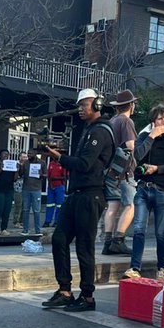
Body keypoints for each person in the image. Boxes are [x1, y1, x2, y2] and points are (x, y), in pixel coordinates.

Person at [41, 88, 116, 312]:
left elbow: (84, 164)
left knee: (84, 246)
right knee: (60, 240)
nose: (80, 109)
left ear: (97, 105)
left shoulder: (100, 131)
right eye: (80, 105)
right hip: (76, 194)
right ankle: (65, 290)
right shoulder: (89, 129)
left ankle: (87, 296)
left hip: (91, 194)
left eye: (84, 104)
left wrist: (59, 157)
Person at [124, 103, 164, 280]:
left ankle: (161, 267)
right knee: (138, 230)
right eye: (160, 118)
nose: (163, 121)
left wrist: (157, 168)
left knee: (161, 232)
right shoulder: (144, 136)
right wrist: (151, 136)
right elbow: (136, 156)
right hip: (144, 189)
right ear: (153, 121)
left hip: (162, 190)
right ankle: (135, 268)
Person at [100, 89, 137, 255]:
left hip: (109, 170)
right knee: (130, 205)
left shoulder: (112, 121)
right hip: (124, 171)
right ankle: (119, 240)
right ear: (130, 105)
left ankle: (107, 243)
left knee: (112, 206)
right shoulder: (126, 122)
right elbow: (130, 146)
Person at [20, 150, 44, 235]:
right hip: (26, 189)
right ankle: (25, 230)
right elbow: (21, 174)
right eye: (28, 154)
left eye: (30, 154)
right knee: (25, 210)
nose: (28, 155)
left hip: (36, 189)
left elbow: (46, 174)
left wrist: (41, 175)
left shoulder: (42, 163)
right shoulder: (26, 163)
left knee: (36, 210)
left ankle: (37, 230)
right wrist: (21, 168)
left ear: (35, 154)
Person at [44, 153, 66, 227]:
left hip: (60, 187)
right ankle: (47, 221)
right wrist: (50, 184)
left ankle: (57, 221)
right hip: (51, 187)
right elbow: (48, 176)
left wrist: (55, 179)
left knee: (59, 205)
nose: (54, 157)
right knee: (49, 205)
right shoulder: (51, 164)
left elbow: (65, 177)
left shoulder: (63, 164)